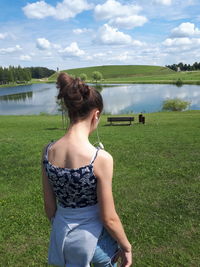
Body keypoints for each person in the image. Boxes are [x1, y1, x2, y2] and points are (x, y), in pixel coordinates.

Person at [41, 73, 132, 267]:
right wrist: (126, 246)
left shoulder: (48, 152)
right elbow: (109, 218)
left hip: (63, 237)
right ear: (96, 114)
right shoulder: (100, 159)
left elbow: (50, 208)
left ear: (69, 110)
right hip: (95, 243)